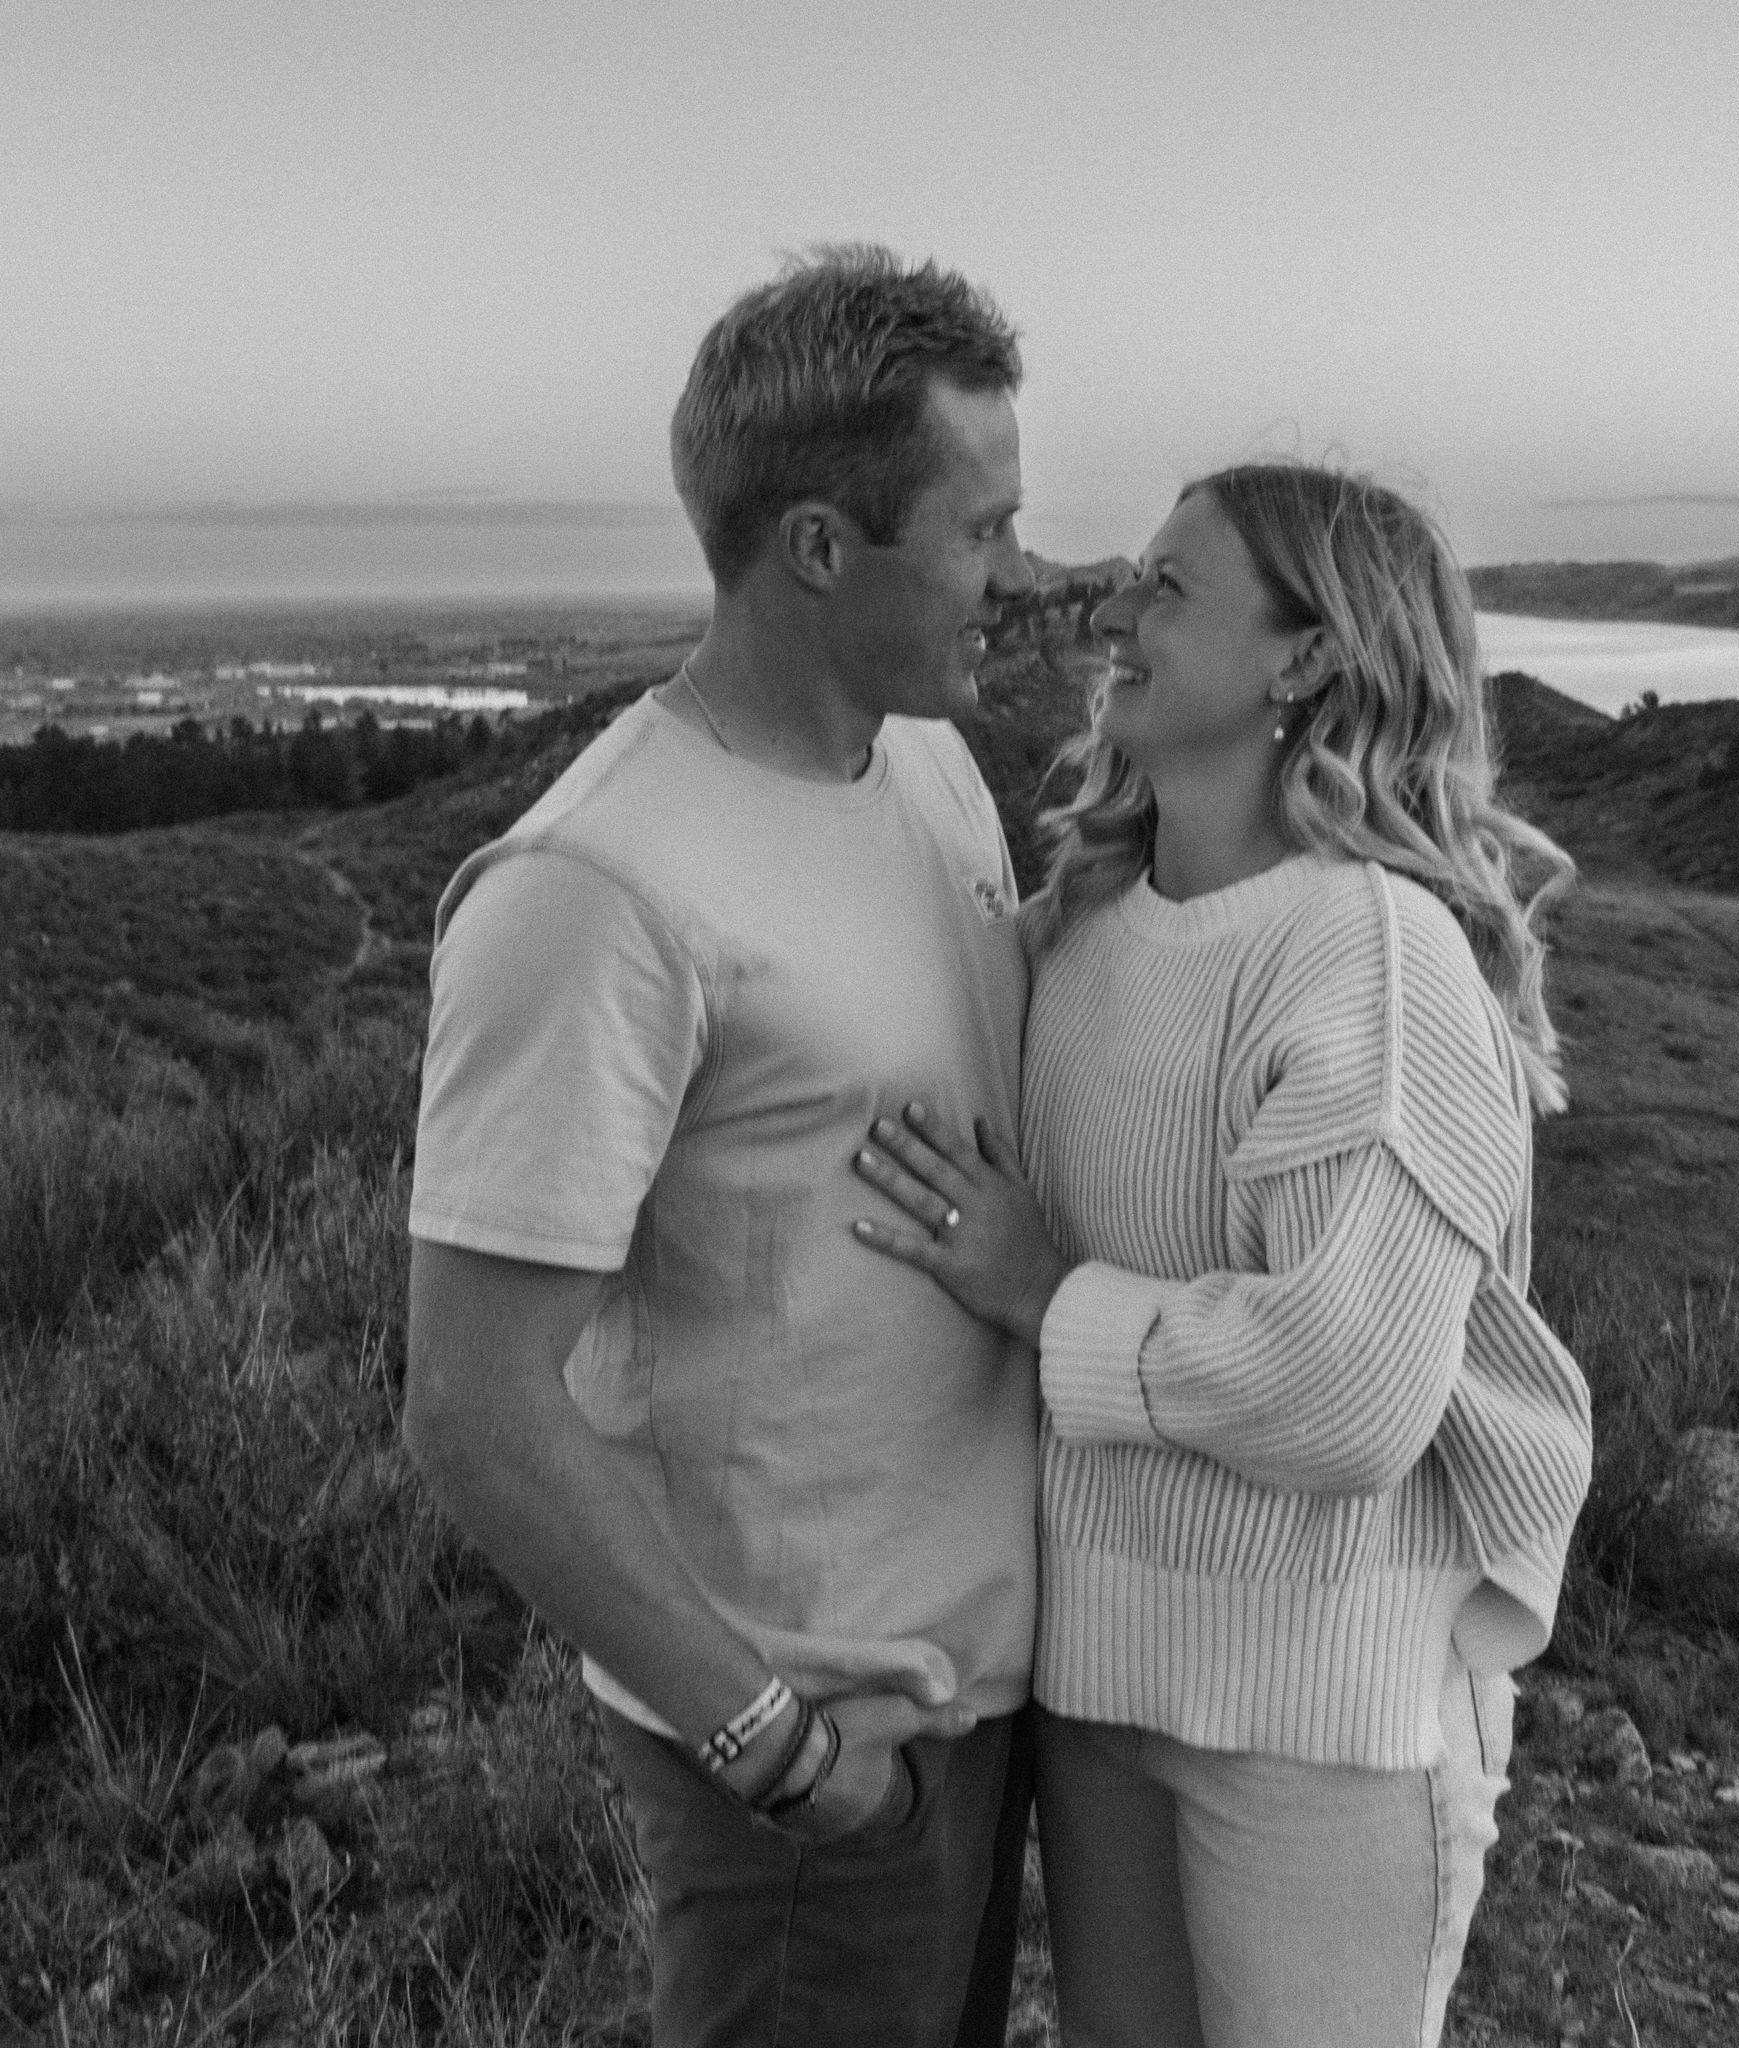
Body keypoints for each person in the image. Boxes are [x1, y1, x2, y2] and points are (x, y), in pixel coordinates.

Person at [850, 462, 1596, 2048]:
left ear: (1306, 657)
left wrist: (1048, 1297)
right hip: (1100, 1683)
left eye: (1169, 587)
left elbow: (1348, 1390)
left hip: (1328, 1722)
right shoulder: (1079, 932)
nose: (1112, 609)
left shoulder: (1370, 953)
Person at [402, 247, 1040, 2048]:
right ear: (820, 547)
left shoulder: (928, 771)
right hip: (813, 1754)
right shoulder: (596, 890)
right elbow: (473, 1404)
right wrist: (777, 1751)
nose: (1020, 575)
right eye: (982, 530)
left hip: (972, 1705)